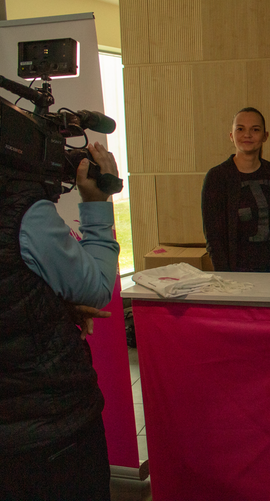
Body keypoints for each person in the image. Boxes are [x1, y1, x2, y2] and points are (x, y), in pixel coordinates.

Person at [0, 142, 121, 500]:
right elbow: (95, 289)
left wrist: (46, 303)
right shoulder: (22, 211)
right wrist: (97, 204)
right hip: (47, 431)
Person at [202, 107, 270, 272]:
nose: (247, 135)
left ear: (265, 136)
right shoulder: (217, 176)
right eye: (240, 129)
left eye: (255, 129)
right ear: (231, 136)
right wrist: (226, 277)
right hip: (236, 272)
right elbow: (213, 237)